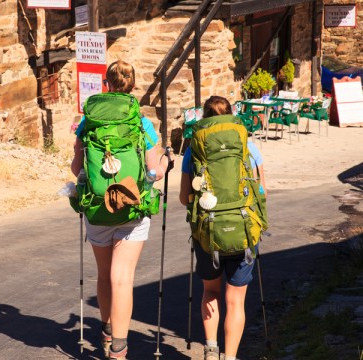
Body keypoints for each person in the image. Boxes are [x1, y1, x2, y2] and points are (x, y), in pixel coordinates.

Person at [71, 60, 171, 360]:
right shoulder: (141, 123)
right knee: (122, 277)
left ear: (106, 85)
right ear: (132, 86)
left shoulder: (89, 122)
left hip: (98, 208)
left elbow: (77, 168)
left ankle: (104, 330)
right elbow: (153, 172)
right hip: (131, 207)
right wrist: (167, 161)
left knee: (104, 275)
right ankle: (119, 349)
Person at [178, 96, 266, 360]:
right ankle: (230, 357)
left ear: (205, 117)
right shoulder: (247, 145)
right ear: (231, 115)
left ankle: (211, 349)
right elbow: (261, 191)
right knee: (235, 300)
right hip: (243, 229)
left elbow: (185, 197)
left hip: (208, 232)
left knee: (211, 291)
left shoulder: (195, 148)